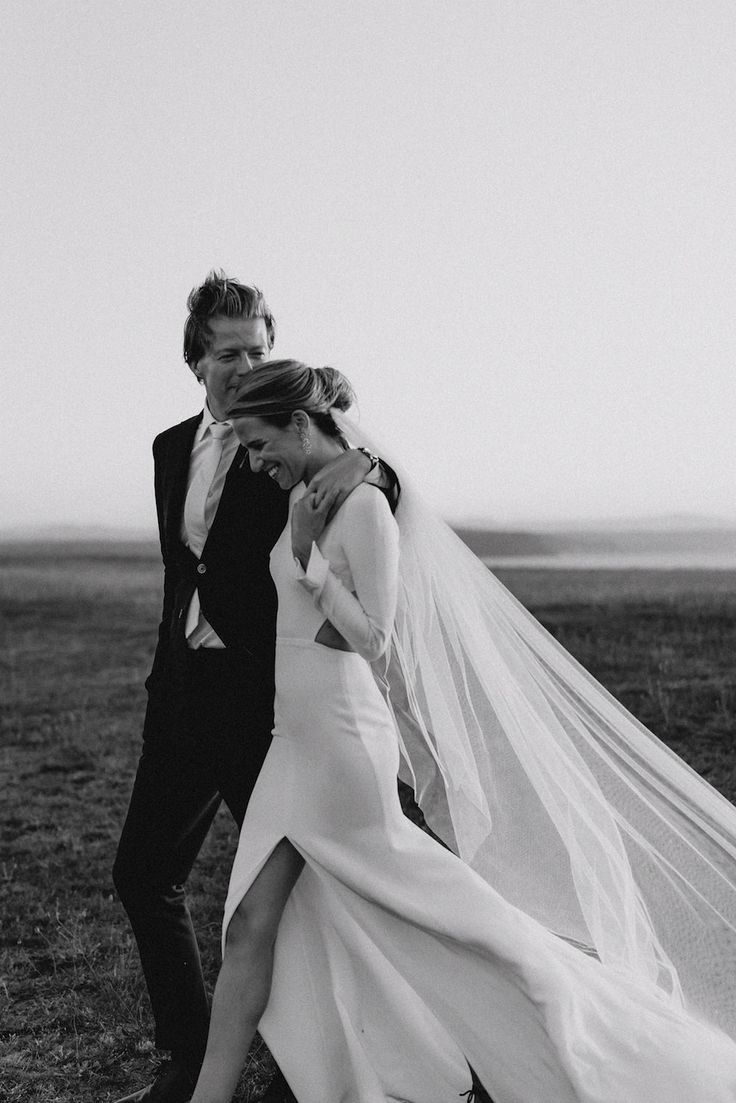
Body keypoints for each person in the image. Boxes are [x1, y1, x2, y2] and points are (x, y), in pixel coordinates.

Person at [187, 359, 736, 1103]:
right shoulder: (312, 502)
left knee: (430, 912)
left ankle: (569, 1005)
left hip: (343, 746)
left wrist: (313, 562)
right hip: (297, 741)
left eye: (257, 443)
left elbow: (379, 639)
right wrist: (302, 545)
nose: (255, 462)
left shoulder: (364, 511)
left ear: (295, 421)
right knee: (251, 922)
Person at [112, 273, 398, 1103]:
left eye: (259, 350)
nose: (245, 365)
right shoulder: (171, 447)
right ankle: (191, 1058)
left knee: (320, 884)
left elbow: (381, 487)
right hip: (181, 695)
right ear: (196, 358)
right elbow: (185, 566)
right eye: (229, 352)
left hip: (266, 707)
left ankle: (319, 1065)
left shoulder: (301, 434)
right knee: (142, 873)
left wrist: (365, 466)